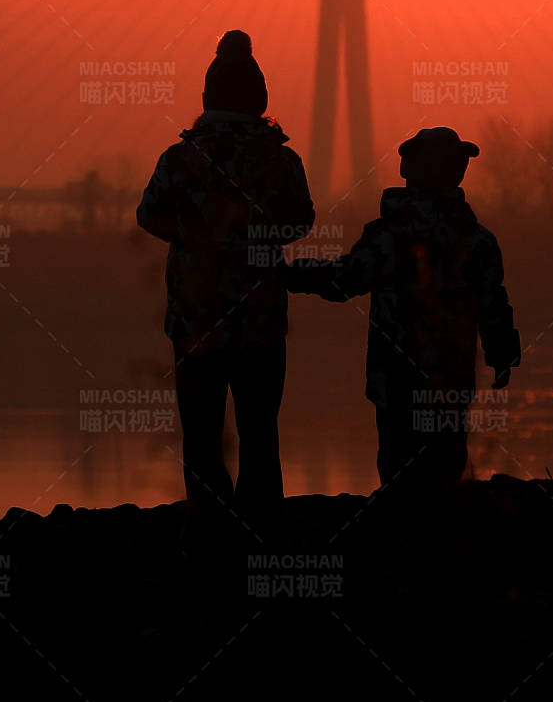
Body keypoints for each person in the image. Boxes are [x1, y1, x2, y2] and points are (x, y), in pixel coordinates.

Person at [284, 126, 520, 493]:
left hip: (395, 381)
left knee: (398, 477)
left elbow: (344, 281)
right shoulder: (477, 239)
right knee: (447, 474)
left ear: (408, 169)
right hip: (451, 380)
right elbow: (493, 304)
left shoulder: (389, 235)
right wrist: (503, 355)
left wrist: (284, 273)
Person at [137, 30, 313, 511]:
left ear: (207, 98)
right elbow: (301, 220)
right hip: (261, 318)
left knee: (201, 433)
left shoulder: (180, 159)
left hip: (195, 321)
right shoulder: (281, 159)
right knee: (260, 430)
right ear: (260, 100)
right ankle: (261, 529)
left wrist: (199, 239)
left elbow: (149, 216)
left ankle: (210, 530)